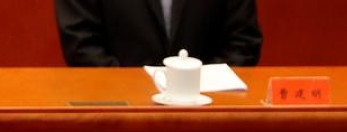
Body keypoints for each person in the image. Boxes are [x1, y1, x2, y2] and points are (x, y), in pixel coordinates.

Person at [55, 0, 262, 67]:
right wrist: (133, 90)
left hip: (208, 121)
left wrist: (194, 89)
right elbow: (80, 43)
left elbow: (243, 42)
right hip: (118, 121)